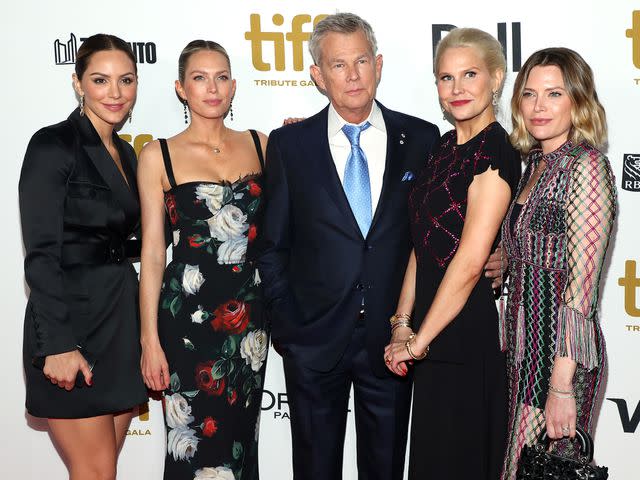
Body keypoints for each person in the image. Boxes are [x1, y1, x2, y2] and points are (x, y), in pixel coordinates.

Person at [258, 12, 441, 479]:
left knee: (385, 468)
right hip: (313, 339)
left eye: (361, 60)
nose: (353, 75)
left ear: (378, 64)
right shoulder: (289, 144)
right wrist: (289, 324)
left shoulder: (422, 139)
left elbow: (436, 235)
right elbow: (273, 244)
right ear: (318, 76)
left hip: (393, 338)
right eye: (338, 65)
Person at [384, 28, 521, 479]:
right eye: (446, 78)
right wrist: (402, 324)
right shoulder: (442, 147)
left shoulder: (496, 150)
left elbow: (469, 261)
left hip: (462, 334)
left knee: (456, 462)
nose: (457, 88)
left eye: (469, 74)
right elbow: (420, 245)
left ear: (496, 78)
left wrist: (419, 343)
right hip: (429, 331)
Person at [137, 40, 268, 480]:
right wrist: (149, 340)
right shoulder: (158, 155)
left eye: (222, 76)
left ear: (234, 86)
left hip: (248, 319)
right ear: (180, 88)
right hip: (185, 318)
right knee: (190, 440)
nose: (212, 88)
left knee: (240, 438)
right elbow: (154, 253)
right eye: (199, 77)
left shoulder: (262, 145)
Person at [19, 34, 146, 478]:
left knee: (102, 470)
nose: (115, 93)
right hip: (71, 324)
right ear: (78, 84)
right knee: (94, 472)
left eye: (126, 80)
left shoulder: (127, 155)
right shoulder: (53, 145)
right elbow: (40, 254)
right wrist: (56, 345)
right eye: (100, 80)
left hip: (119, 322)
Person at [498, 48, 616, 480]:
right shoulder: (535, 164)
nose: (539, 106)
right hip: (524, 353)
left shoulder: (585, 166)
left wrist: (561, 386)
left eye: (554, 93)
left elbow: (581, 290)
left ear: (578, 101)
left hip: (561, 359)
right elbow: (534, 255)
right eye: (529, 94)